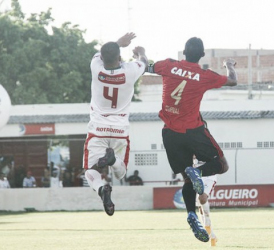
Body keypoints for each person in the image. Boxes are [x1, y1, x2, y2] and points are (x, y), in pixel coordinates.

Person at [147, 37, 237, 242]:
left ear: (183, 52)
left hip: (169, 133)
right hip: (193, 131)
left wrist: (141, 56)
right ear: (202, 55)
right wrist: (229, 65)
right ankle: (197, 171)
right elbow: (233, 80)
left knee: (187, 180)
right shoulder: (203, 75)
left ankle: (190, 214)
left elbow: (147, 67)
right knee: (221, 165)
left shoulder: (168, 65)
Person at [82, 32, 148, 216]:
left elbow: (102, 54)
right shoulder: (131, 70)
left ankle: (102, 189)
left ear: (102, 58)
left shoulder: (96, 67)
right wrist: (140, 52)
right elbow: (144, 61)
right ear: (119, 57)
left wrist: (119, 43)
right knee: (121, 173)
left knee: (90, 171)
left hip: (97, 129)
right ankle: (113, 161)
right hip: (120, 130)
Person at [193, 156, 218, 246]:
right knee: (200, 208)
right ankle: (212, 236)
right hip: (198, 178)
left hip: (209, 177)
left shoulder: (208, 145)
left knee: (202, 198)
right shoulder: (191, 146)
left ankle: (207, 225)